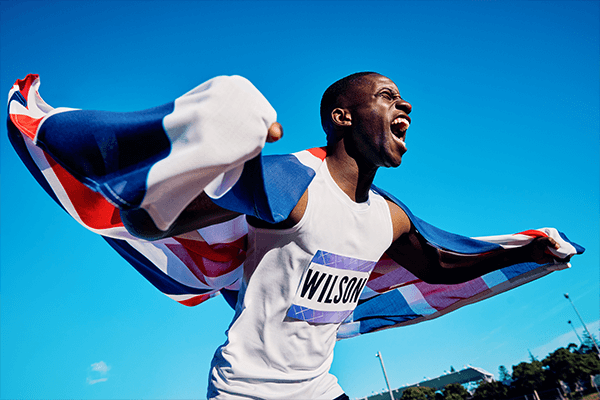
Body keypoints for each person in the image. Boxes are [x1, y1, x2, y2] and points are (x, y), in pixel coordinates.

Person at [7, 72, 578, 400]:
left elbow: (437, 267)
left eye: (402, 100)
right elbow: (149, 222)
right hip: (247, 391)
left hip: (316, 389)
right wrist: (202, 149)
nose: (403, 105)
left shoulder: (389, 217)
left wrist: (528, 251)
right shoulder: (291, 183)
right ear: (341, 117)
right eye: (386, 96)